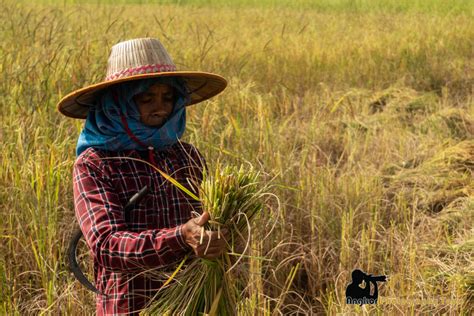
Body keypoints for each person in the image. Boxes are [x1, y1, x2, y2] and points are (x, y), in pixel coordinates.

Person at [57, 38, 229, 315]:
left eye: (168, 97)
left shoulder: (185, 156)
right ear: (119, 102)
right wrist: (181, 237)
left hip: (194, 301)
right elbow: (106, 245)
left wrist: (217, 238)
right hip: (131, 306)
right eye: (145, 98)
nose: (159, 107)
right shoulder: (95, 165)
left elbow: (209, 221)